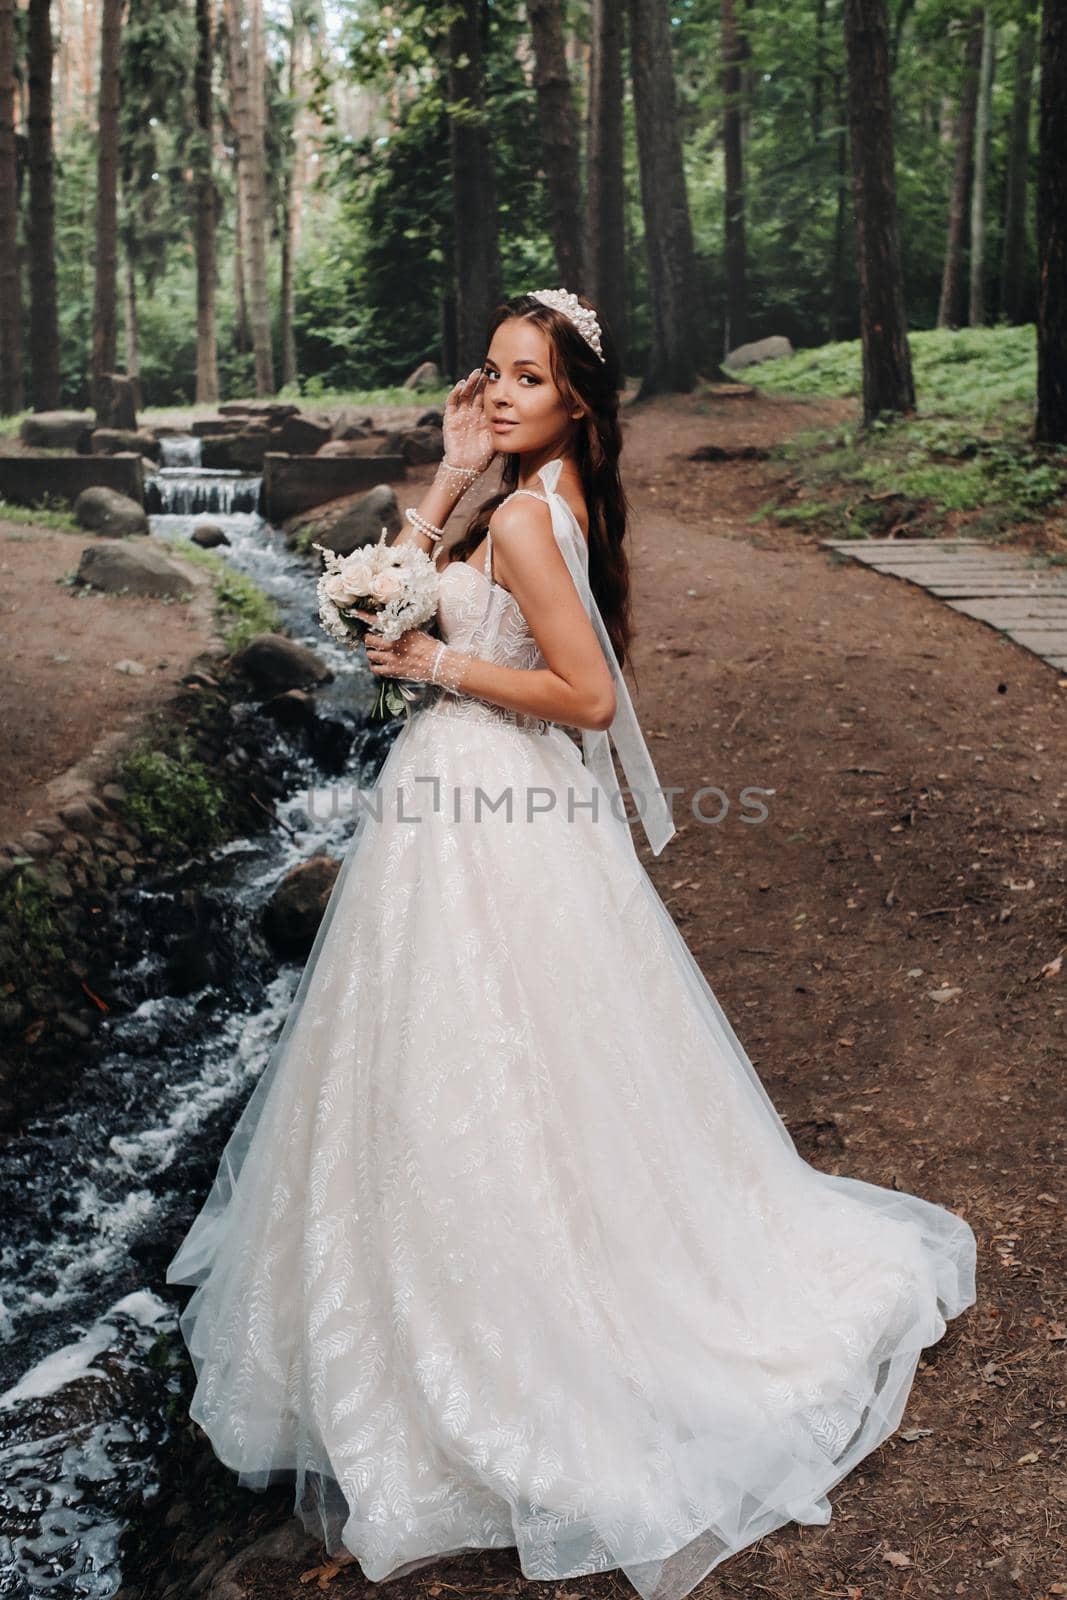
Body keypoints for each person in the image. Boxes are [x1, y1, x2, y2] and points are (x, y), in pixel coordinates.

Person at [165, 289, 977, 1600]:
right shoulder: (526, 496)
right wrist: (444, 483)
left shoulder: (537, 520)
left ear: (576, 405)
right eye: (489, 371)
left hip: (487, 810)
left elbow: (587, 697)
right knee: (498, 1068)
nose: (497, 391)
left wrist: (440, 666)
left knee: (483, 1067)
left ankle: (510, 1340)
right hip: (477, 804)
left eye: (525, 379)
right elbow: (386, 625)